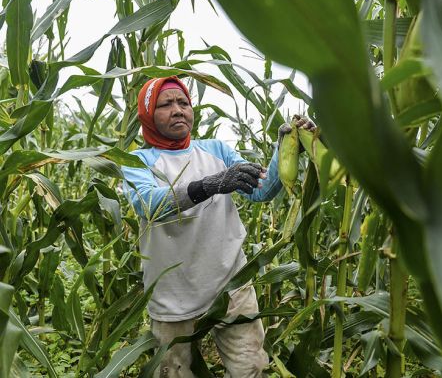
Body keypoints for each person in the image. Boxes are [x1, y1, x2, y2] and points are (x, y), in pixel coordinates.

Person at [121, 76, 313, 378]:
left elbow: (261, 190)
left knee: (250, 368)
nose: (178, 110)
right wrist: (210, 185)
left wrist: (285, 147)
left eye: (183, 103)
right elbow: (148, 204)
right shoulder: (137, 161)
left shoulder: (216, 150)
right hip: (174, 297)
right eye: (166, 104)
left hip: (231, 285)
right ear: (147, 115)